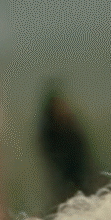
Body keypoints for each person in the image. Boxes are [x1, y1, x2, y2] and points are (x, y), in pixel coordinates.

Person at [38, 80, 95, 208]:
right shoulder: (50, 134)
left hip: (80, 174)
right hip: (64, 179)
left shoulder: (71, 129)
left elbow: (83, 156)